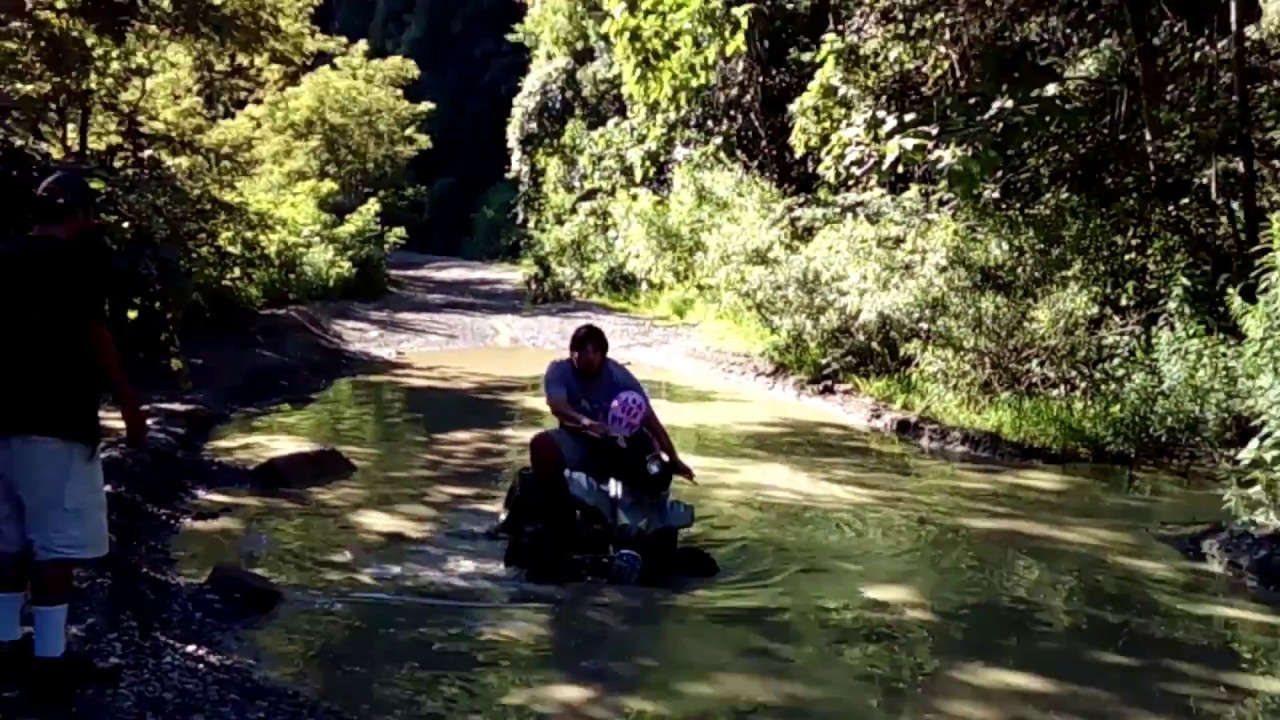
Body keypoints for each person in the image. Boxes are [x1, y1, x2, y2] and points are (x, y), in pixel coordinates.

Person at [0, 170, 147, 694]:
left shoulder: (4, 254)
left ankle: (7, 644)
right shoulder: (77, 263)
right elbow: (95, 334)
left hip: (3, 421)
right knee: (55, 545)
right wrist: (129, 405)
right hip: (56, 420)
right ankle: (48, 662)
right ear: (80, 215)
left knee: (8, 538)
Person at [530, 323, 694, 487]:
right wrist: (585, 423)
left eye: (595, 351)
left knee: (656, 473)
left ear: (603, 355)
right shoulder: (559, 371)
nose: (589, 357)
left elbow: (650, 420)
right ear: (572, 352)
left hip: (618, 444)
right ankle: (554, 498)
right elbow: (557, 405)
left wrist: (673, 457)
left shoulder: (619, 377)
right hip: (578, 439)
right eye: (583, 351)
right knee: (541, 444)